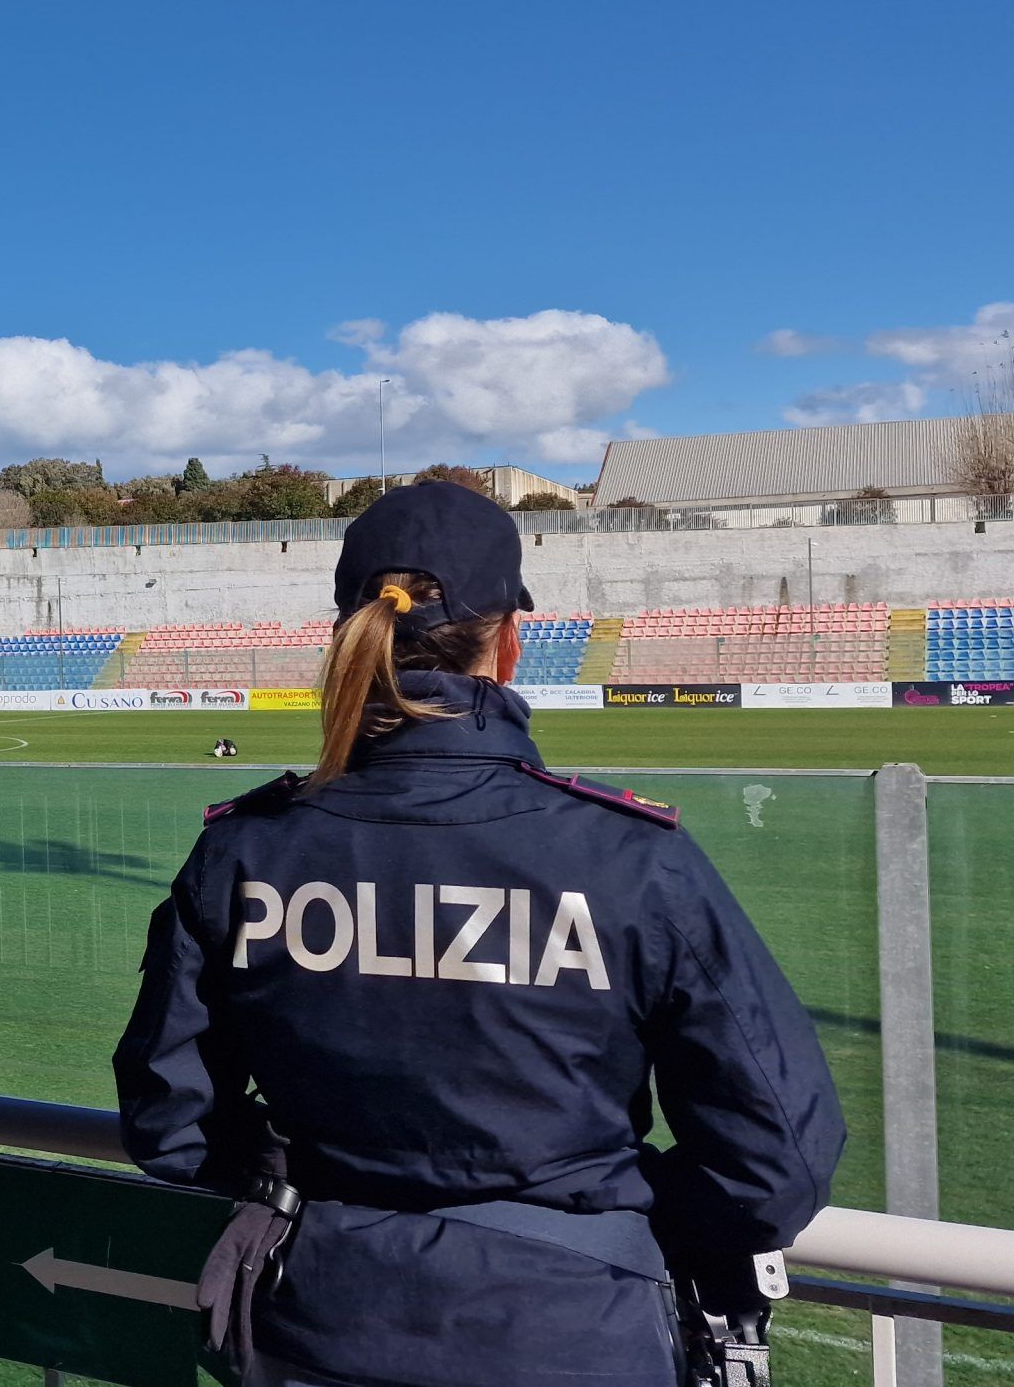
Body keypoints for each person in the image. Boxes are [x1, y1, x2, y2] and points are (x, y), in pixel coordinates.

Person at [113, 481, 844, 1387]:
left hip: (316, 1317)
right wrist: (613, 1214)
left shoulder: (246, 849)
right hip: (570, 1330)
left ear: (348, 632)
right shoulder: (627, 855)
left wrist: (303, 1179)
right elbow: (776, 1159)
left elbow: (171, 1119)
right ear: (509, 641)